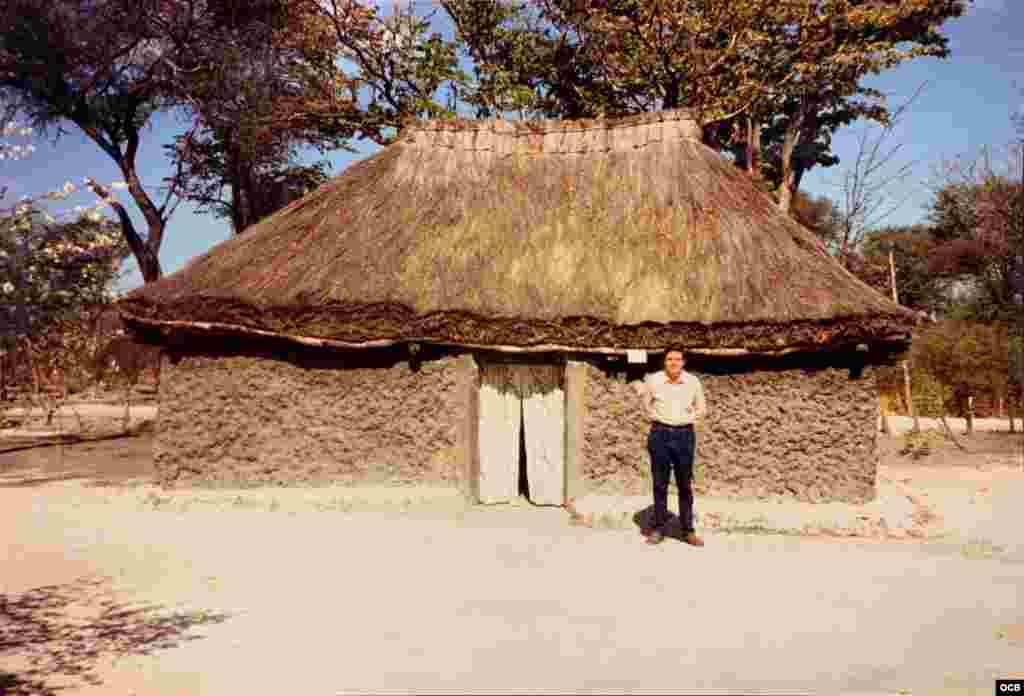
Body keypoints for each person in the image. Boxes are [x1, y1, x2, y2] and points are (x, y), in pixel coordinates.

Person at [639, 347, 707, 546]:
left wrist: (686, 420)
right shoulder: (654, 380)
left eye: (677, 359)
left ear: (683, 362)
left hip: (684, 435)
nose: (673, 362)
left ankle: (687, 530)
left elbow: (702, 408)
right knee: (660, 483)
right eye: (669, 359)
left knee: (684, 484)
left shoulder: (693, 382)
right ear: (664, 362)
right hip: (659, 434)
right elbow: (645, 403)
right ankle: (658, 528)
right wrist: (657, 418)